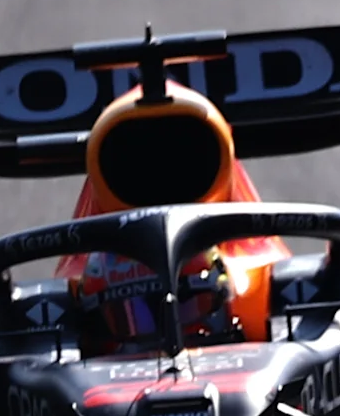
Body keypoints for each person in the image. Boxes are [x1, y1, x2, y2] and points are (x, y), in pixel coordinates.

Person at [59, 78, 283, 356]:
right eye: (136, 315)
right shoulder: (85, 285)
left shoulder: (256, 286)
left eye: (190, 306)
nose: (171, 343)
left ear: (223, 297)